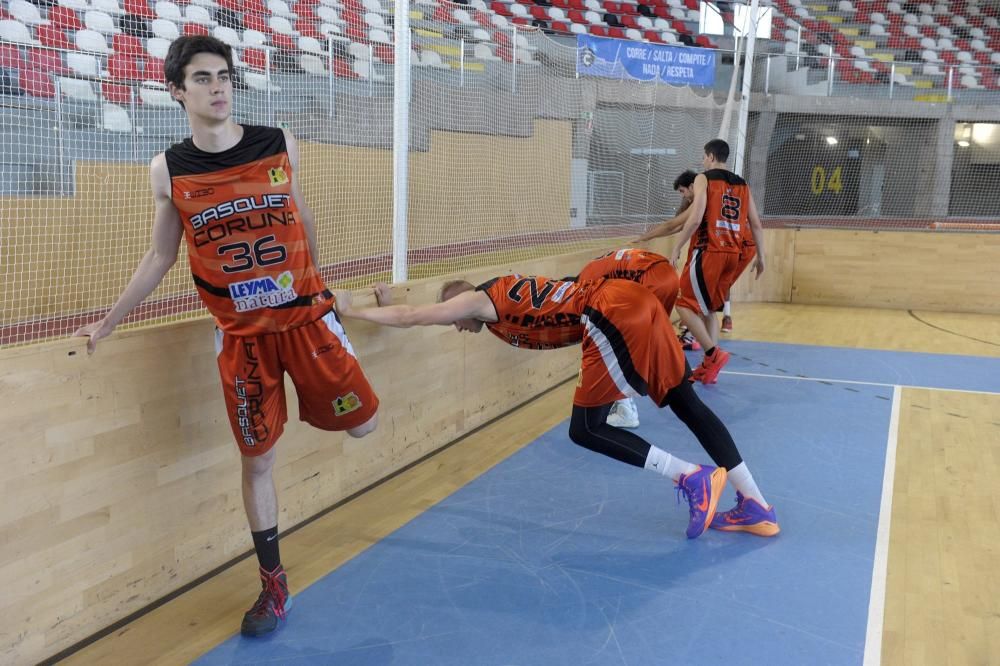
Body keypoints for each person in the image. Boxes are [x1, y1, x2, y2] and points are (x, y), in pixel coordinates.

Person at [73, 36, 380, 637]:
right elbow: (160, 255)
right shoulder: (169, 168)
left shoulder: (276, 142)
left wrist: (327, 288)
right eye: (204, 78)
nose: (218, 87)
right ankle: (272, 583)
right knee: (257, 458)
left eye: (225, 76)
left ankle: (336, 343)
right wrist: (109, 320)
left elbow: (302, 214)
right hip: (242, 339)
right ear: (177, 91)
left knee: (364, 426)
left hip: (306, 319)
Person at [336, 277, 780, 538]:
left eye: (452, 317)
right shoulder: (501, 305)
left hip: (608, 312)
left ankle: (692, 477)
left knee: (584, 429)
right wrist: (387, 304)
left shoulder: (478, 300)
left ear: (459, 300)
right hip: (629, 304)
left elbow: (416, 316)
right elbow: (412, 314)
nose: (454, 325)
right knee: (688, 405)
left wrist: (352, 313)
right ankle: (755, 503)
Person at [670, 139, 765, 384]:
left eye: (704, 156)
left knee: (682, 303)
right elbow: (755, 223)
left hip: (710, 249)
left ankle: (712, 354)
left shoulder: (704, 178)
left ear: (711, 157)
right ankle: (710, 368)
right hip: (733, 254)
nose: (703, 161)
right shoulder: (742, 184)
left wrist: (677, 247)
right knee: (709, 309)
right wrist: (762, 257)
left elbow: (695, 218)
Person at [574, 247, 680, 429]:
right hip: (668, 275)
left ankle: (626, 410)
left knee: (619, 347)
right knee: (646, 342)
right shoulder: (593, 269)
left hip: (651, 281)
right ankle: (669, 383)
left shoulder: (585, 284)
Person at [634, 170, 701, 353]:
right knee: (695, 299)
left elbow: (672, 225)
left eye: (682, 191)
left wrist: (644, 237)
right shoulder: (696, 202)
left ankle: (695, 338)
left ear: (693, 187)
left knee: (684, 299)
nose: (683, 196)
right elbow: (677, 226)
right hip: (716, 252)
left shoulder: (699, 202)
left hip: (706, 254)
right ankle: (697, 337)